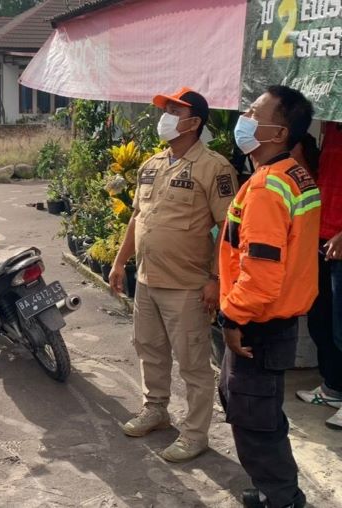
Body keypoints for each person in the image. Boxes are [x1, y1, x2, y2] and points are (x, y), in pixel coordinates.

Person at [109, 87, 238, 462]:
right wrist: (119, 263)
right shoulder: (151, 165)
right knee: (149, 350)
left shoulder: (215, 168)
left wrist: (216, 279)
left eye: (174, 111)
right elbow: (138, 217)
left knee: (194, 363)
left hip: (187, 285)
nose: (164, 117)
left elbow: (228, 229)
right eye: (165, 110)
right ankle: (157, 409)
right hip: (148, 280)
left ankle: (195, 434)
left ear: (194, 122)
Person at [218, 85, 319, 508]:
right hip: (274, 319)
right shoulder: (296, 175)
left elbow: (260, 274)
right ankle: (275, 491)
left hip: (258, 323)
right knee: (257, 409)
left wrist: (232, 319)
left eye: (254, 111)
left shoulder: (268, 188)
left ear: (278, 132)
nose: (245, 116)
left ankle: (280, 498)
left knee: (254, 417)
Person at [295, 121, 342, 430]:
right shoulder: (331, 121)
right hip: (323, 236)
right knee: (321, 318)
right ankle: (333, 388)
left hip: (339, 238)